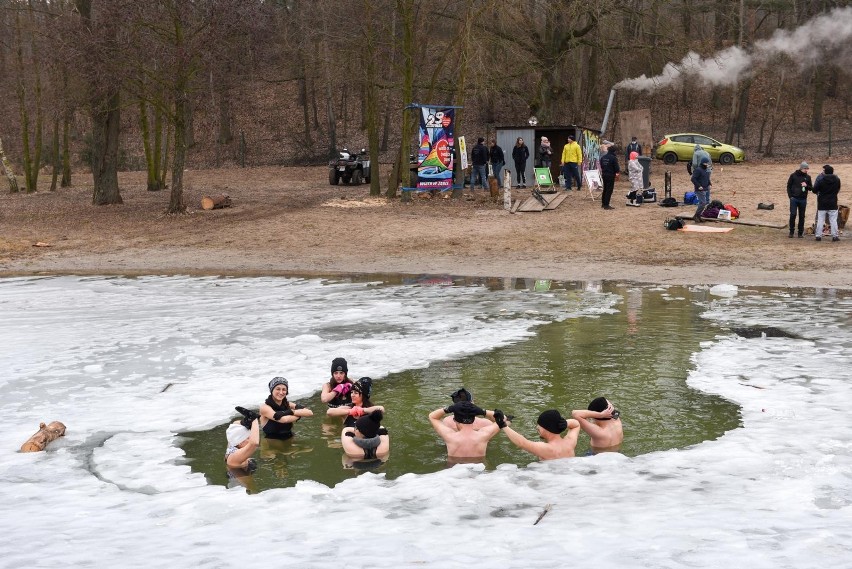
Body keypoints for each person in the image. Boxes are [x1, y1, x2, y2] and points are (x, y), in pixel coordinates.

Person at [495, 409, 580, 460]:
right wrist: (565, 423)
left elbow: (522, 443)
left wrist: (503, 426)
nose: (537, 427)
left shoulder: (547, 449)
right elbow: (576, 425)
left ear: (547, 428)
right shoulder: (569, 443)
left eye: (540, 425)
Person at [428, 401, 501, 460]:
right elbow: (504, 419)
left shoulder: (449, 436)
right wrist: (482, 411)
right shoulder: (484, 435)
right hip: (479, 474)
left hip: (452, 474)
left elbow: (432, 416)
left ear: (455, 420)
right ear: (474, 419)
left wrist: (450, 408)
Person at [812, 164, 841, 242]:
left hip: (822, 202)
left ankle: (818, 236)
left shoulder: (821, 180)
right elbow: (838, 189)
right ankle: (835, 236)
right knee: (833, 220)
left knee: (820, 220)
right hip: (833, 202)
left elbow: (814, 190)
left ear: (825, 172)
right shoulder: (837, 179)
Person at [787, 161, 813, 238]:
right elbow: (788, 186)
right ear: (801, 168)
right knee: (793, 214)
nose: (806, 170)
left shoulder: (808, 177)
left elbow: (811, 188)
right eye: (805, 168)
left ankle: (800, 233)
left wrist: (807, 185)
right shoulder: (793, 175)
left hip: (803, 199)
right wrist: (790, 196)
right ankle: (791, 231)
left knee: (802, 216)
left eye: (807, 168)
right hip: (794, 199)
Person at [598, 143, 620, 209]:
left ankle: (603, 203)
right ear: (614, 151)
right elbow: (617, 168)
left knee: (605, 189)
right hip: (610, 175)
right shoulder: (613, 158)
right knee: (609, 190)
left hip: (604, 174)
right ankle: (606, 205)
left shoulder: (603, 157)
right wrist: (616, 172)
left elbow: (601, 165)